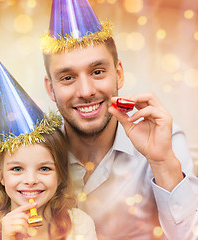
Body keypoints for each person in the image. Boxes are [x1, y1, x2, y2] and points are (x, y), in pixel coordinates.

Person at [40, 0, 198, 239]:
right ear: (51, 89)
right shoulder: (35, 153)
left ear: (119, 74)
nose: (85, 91)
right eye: (68, 77)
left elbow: (187, 235)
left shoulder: (163, 139)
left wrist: (163, 162)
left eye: (97, 72)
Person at [0, 56, 97, 240]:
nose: (31, 180)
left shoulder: (79, 226)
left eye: (44, 168)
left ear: (61, 175)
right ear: (1, 175)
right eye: (17, 169)